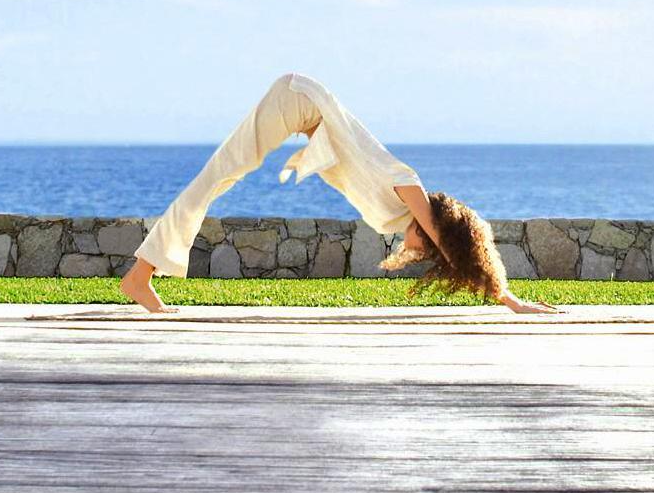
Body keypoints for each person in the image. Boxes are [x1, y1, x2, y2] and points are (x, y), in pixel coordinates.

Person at [119, 73, 557, 315]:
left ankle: (142, 274)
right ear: (436, 229)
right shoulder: (409, 187)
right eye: (430, 246)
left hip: (303, 106)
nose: (419, 250)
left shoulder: (395, 211)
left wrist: (504, 295)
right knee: (214, 178)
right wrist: (509, 299)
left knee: (218, 178)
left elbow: (449, 247)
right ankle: (140, 277)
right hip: (298, 100)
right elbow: (453, 245)